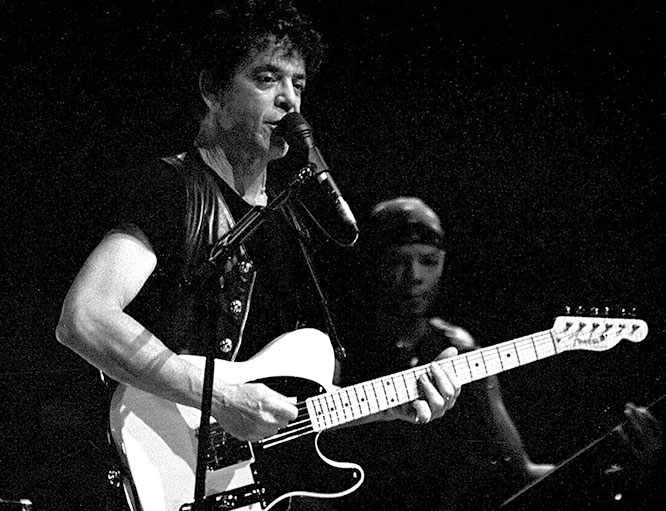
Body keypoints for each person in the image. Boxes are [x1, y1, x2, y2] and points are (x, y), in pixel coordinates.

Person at [55, 2, 460, 510]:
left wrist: (389, 405)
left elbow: (286, 405)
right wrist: (219, 397)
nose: (289, 99)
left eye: (298, 84)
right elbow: (84, 317)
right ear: (213, 91)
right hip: (140, 471)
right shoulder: (175, 189)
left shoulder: (290, 222)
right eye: (267, 78)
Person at [319, 197, 555, 511]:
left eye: (429, 260)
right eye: (397, 260)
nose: (414, 275)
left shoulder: (458, 347)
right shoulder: (332, 344)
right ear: (372, 262)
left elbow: (519, 469)